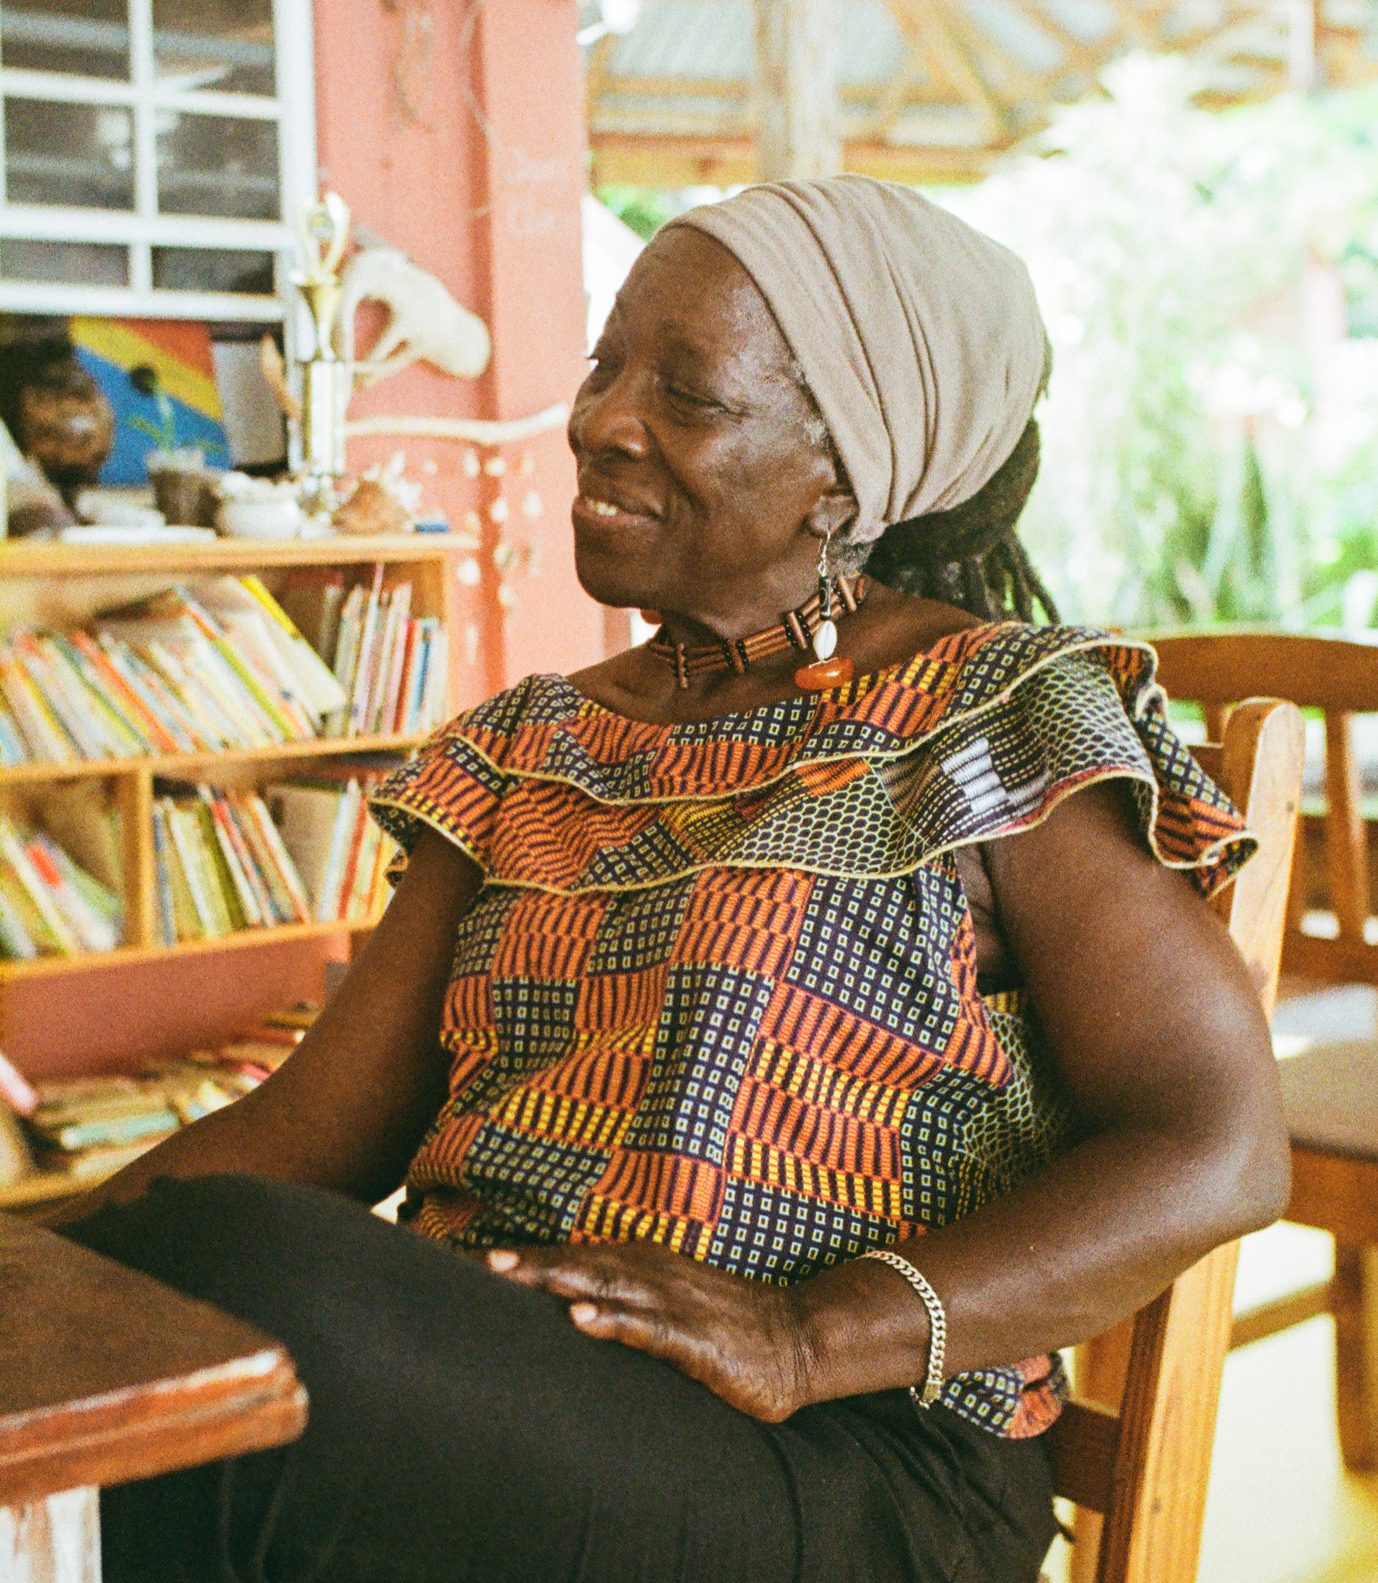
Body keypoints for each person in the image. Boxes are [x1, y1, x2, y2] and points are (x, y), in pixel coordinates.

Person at [51, 177, 1288, 1583]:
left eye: (685, 395)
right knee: (177, 1327)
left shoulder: (991, 717)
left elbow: (1216, 1146)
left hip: (846, 1457)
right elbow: (312, 1129)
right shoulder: (528, 744)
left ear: (846, 473)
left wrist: (813, 1333)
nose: (597, 420)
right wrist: (37, 1265)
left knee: (251, 1311)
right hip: (533, 1402)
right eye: (603, 366)